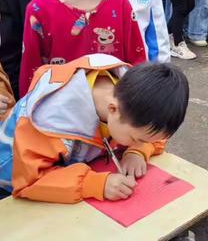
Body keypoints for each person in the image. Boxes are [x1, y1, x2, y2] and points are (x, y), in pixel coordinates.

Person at [0, 55, 189, 203]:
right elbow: (30, 181)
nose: (143, 143)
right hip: (10, 183)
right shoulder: (50, 120)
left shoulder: (132, 93)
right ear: (113, 110)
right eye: (136, 139)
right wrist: (95, 184)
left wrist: (137, 151)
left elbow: (154, 136)